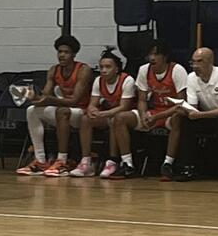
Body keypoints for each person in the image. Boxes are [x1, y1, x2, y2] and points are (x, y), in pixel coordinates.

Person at [15, 35, 92, 177]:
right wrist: (33, 96)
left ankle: (62, 160)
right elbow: (45, 95)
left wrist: (48, 99)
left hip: (81, 113)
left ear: (74, 54)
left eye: (66, 52)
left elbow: (74, 100)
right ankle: (40, 160)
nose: (62, 55)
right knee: (32, 110)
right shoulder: (53, 70)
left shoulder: (83, 70)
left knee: (62, 111)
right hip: (63, 110)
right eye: (60, 52)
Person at [116, 40, 187, 181]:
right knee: (120, 118)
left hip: (170, 112)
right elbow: (142, 100)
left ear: (165, 56)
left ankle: (168, 164)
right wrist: (143, 115)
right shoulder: (144, 70)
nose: (152, 58)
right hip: (154, 112)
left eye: (156, 54)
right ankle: (127, 164)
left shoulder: (177, 70)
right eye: (150, 54)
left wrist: (157, 117)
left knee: (178, 118)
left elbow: (182, 103)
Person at [174, 48, 218, 182]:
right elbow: (193, 106)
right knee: (186, 122)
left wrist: (201, 115)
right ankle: (187, 167)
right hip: (203, 116)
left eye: (200, 62)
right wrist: (186, 110)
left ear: (210, 62)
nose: (195, 66)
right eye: (193, 62)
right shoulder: (191, 78)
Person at [70, 47, 136, 178]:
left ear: (116, 69)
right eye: (101, 67)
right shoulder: (98, 80)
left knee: (115, 119)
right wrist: (92, 110)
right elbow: (92, 104)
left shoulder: (127, 80)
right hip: (108, 115)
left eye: (108, 67)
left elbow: (124, 107)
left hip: (125, 116)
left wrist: (105, 113)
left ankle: (112, 161)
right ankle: (86, 162)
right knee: (86, 119)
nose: (104, 70)